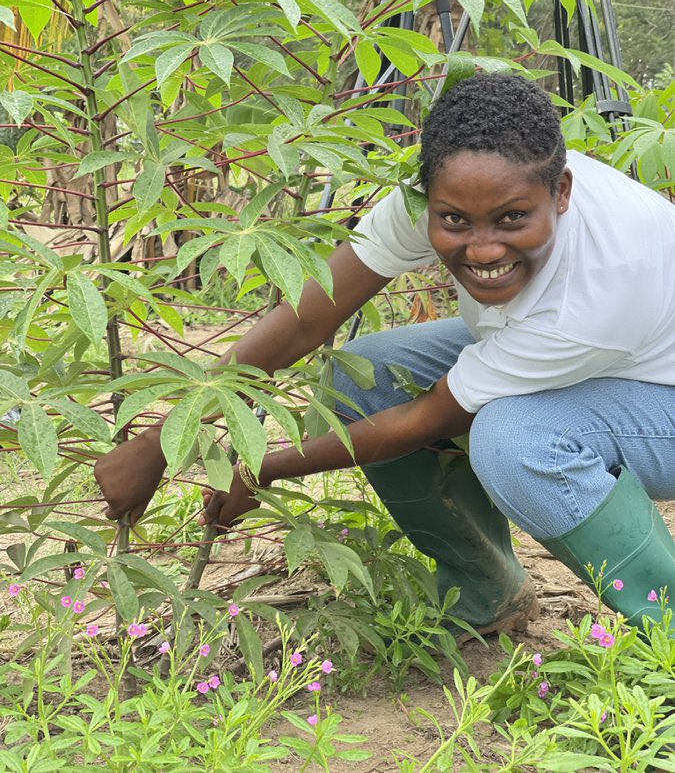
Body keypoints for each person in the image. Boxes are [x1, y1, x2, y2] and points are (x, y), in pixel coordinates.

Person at [95, 74, 675, 636]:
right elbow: (307, 319)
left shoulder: (598, 286)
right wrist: (161, 439)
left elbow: (428, 419)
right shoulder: (448, 190)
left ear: (563, 192)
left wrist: (259, 467)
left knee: (514, 440)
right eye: (454, 221)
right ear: (428, 197)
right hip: (594, 358)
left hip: (659, 394)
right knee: (364, 372)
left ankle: (666, 623)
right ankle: (484, 592)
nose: (484, 247)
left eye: (512, 219)